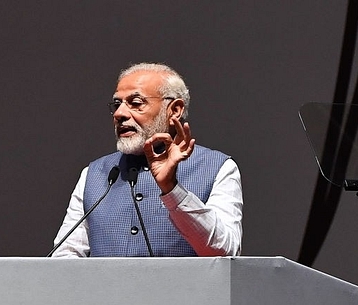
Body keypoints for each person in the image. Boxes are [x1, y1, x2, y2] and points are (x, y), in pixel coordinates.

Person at [51, 62, 242, 257]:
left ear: (174, 110)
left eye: (135, 103)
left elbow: (225, 251)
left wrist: (172, 190)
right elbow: (65, 257)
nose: (119, 114)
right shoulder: (95, 173)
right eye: (117, 105)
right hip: (104, 289)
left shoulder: (217, 167)